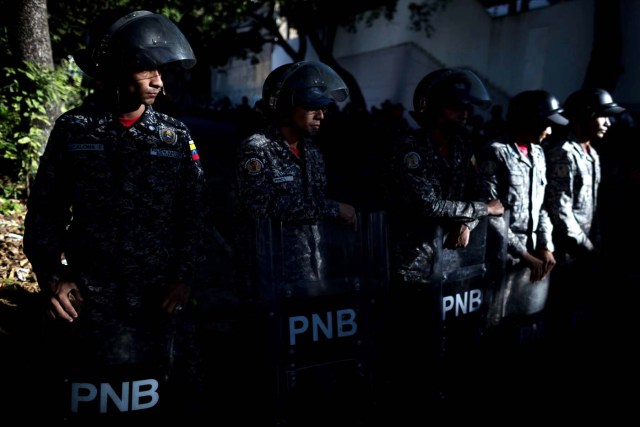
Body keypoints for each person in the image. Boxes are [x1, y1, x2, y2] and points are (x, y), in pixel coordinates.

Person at [22, 9, 208, 419]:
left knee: (166, 401)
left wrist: (184, 278)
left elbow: (193, 214)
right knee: (85, 400)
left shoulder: (174, 136)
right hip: (89, 299)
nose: (159, 81)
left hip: (159, 301)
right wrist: (52, 277)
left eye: (160, 71)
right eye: (146, 71)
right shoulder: (75, 129)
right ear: (120, 69)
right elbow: (46, 211)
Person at [382, 67, 504, 417]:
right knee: (412, 346)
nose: (464, 115)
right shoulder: (409, 148)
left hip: (451, 263)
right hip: (410, 265)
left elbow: (482, 190)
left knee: (448, 341)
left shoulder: (464, 146)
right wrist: (480, 210)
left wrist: (466, 219)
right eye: (455, 108)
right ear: (432, 108)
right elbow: (428, 204)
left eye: (466, 108)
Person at [233, 60, 356, 295]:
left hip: (311, 272)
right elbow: (261, 207)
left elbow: (312, 209)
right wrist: (333, 209)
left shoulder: (313, 151)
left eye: (325, 109)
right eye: (313, 107)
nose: (321, 115)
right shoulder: (257, 149)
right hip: (270, 276)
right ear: (286, 108)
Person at [478, 90, 567, 352]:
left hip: (530, 263)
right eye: (546, 124)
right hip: (499, 262)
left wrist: (546, 245)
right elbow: (489, 215)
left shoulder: (538, 154)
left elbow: (541, 207)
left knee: (526, 329)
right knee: (493, 331)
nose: (549, 132)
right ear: (528, 120)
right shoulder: (495, 153)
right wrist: (524, 254)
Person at [543, 87, 625, 364]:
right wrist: (590, 249)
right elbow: (560, 211)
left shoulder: (591, 153)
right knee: (555, 322)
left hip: (584, 255)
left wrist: (596, 244)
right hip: (563, 255)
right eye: (603, 116)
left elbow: (592, 208)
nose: (608, 123)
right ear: (587, 115)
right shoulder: (563, 153)